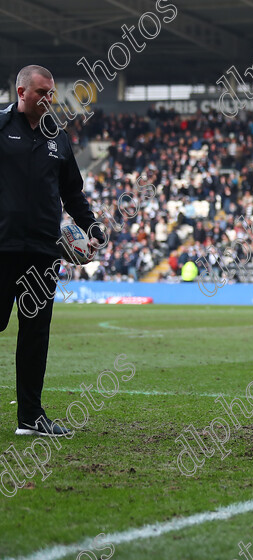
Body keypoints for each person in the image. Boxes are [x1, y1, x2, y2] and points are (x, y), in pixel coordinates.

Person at [1, 65, 104, 436]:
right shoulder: (0, 127)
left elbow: (72, 193)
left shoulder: (58, 137)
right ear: (21, 91)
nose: (49, 99)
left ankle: (30, 417)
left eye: (52, 93)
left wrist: (94, 229)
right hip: (3, 248)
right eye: (42, 92)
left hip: (43, 253)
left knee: (35, 334)